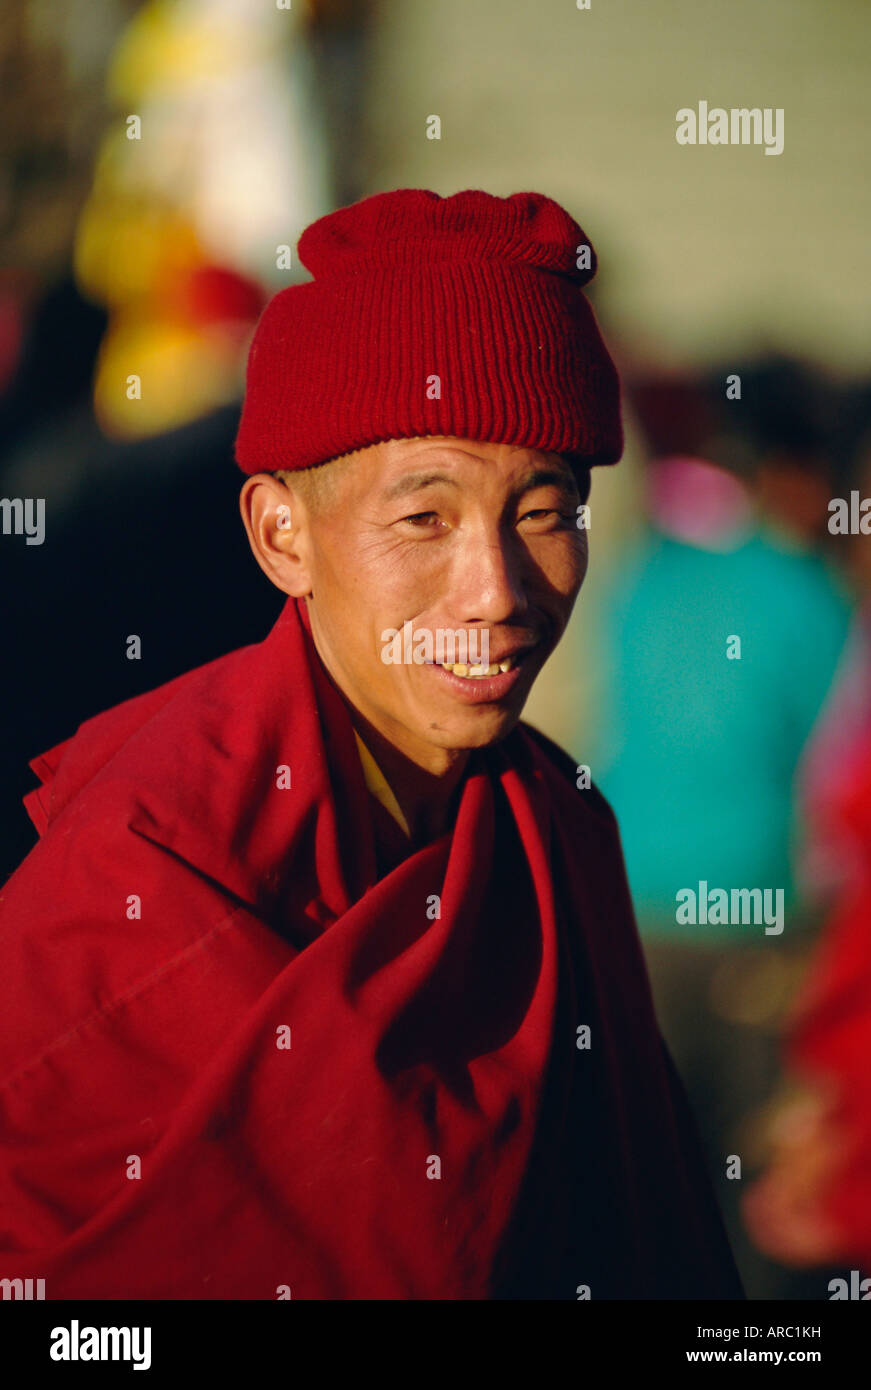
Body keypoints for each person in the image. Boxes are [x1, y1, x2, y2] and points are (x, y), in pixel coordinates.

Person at [0, 188, 742, 1300]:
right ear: (280, 534)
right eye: (422, 517)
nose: (496, 593)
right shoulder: (141, 865)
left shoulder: (552, 822)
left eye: (544, 511)